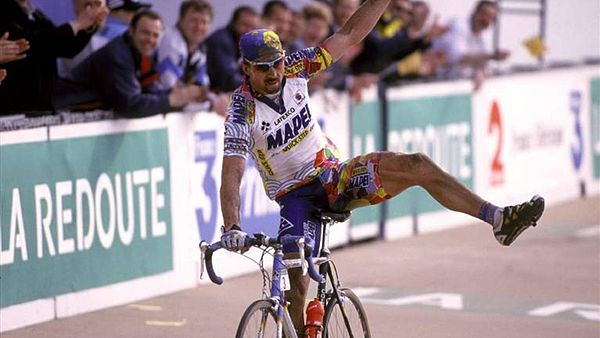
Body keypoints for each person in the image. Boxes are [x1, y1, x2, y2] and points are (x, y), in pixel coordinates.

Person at [218, 0, 545, 334]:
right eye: (263, 68)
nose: (273, 73)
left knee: (416, 164)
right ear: (246, 69)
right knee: (296, 280)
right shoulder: (242, 111)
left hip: (333, 177)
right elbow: (232, 171)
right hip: (294, 196)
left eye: (277, 63)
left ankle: (497, 219)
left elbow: (349, 33)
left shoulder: (298, 66)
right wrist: (232, 227)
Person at [58, 10, 202, 117]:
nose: (150, 40)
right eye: (145, 33)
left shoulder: (143, 54)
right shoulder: (117, 55)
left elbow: (149, 91)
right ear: (131, 31)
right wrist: (170, 100)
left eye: (155, 35)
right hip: (61, 112)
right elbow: (130, 105)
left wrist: (180, 95)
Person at [0, 0, 107, 115]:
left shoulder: (35, 14)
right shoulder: (5, 12)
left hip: (41, 105)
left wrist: (90, 25)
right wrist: (77, 24)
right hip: (14, 106)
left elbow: (65, 47)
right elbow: (32, 43)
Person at [156, 0, 227, 115]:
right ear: (181, 21)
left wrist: (216, 100)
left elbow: (202, 89)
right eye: (193, 20)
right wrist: (211, 104)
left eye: (204, 22)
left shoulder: (200, 50)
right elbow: (172, 94)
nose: (198, 27)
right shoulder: (171, 43)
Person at [57, 0, 149, 78]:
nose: (96, 10)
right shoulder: (67, 41)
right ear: (77, 11)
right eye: (88, 6)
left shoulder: (123, 35)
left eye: (99, 5)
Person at [431, 0, 509, 89]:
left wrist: (480, 71)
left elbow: (486, 65)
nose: (486, 20)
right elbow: (459, 58)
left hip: (457, 85)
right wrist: (491, 56)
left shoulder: (482, 37)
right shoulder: (459, 26)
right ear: (475, 12)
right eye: (484, 14)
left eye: (491, 18)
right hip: (436, 82)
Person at [205, 6, 260, 93]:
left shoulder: (244, 44)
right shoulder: (221, 41)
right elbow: (228, 80)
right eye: (244, 25)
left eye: (253, 27)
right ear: (233, 23)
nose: (249, 31)